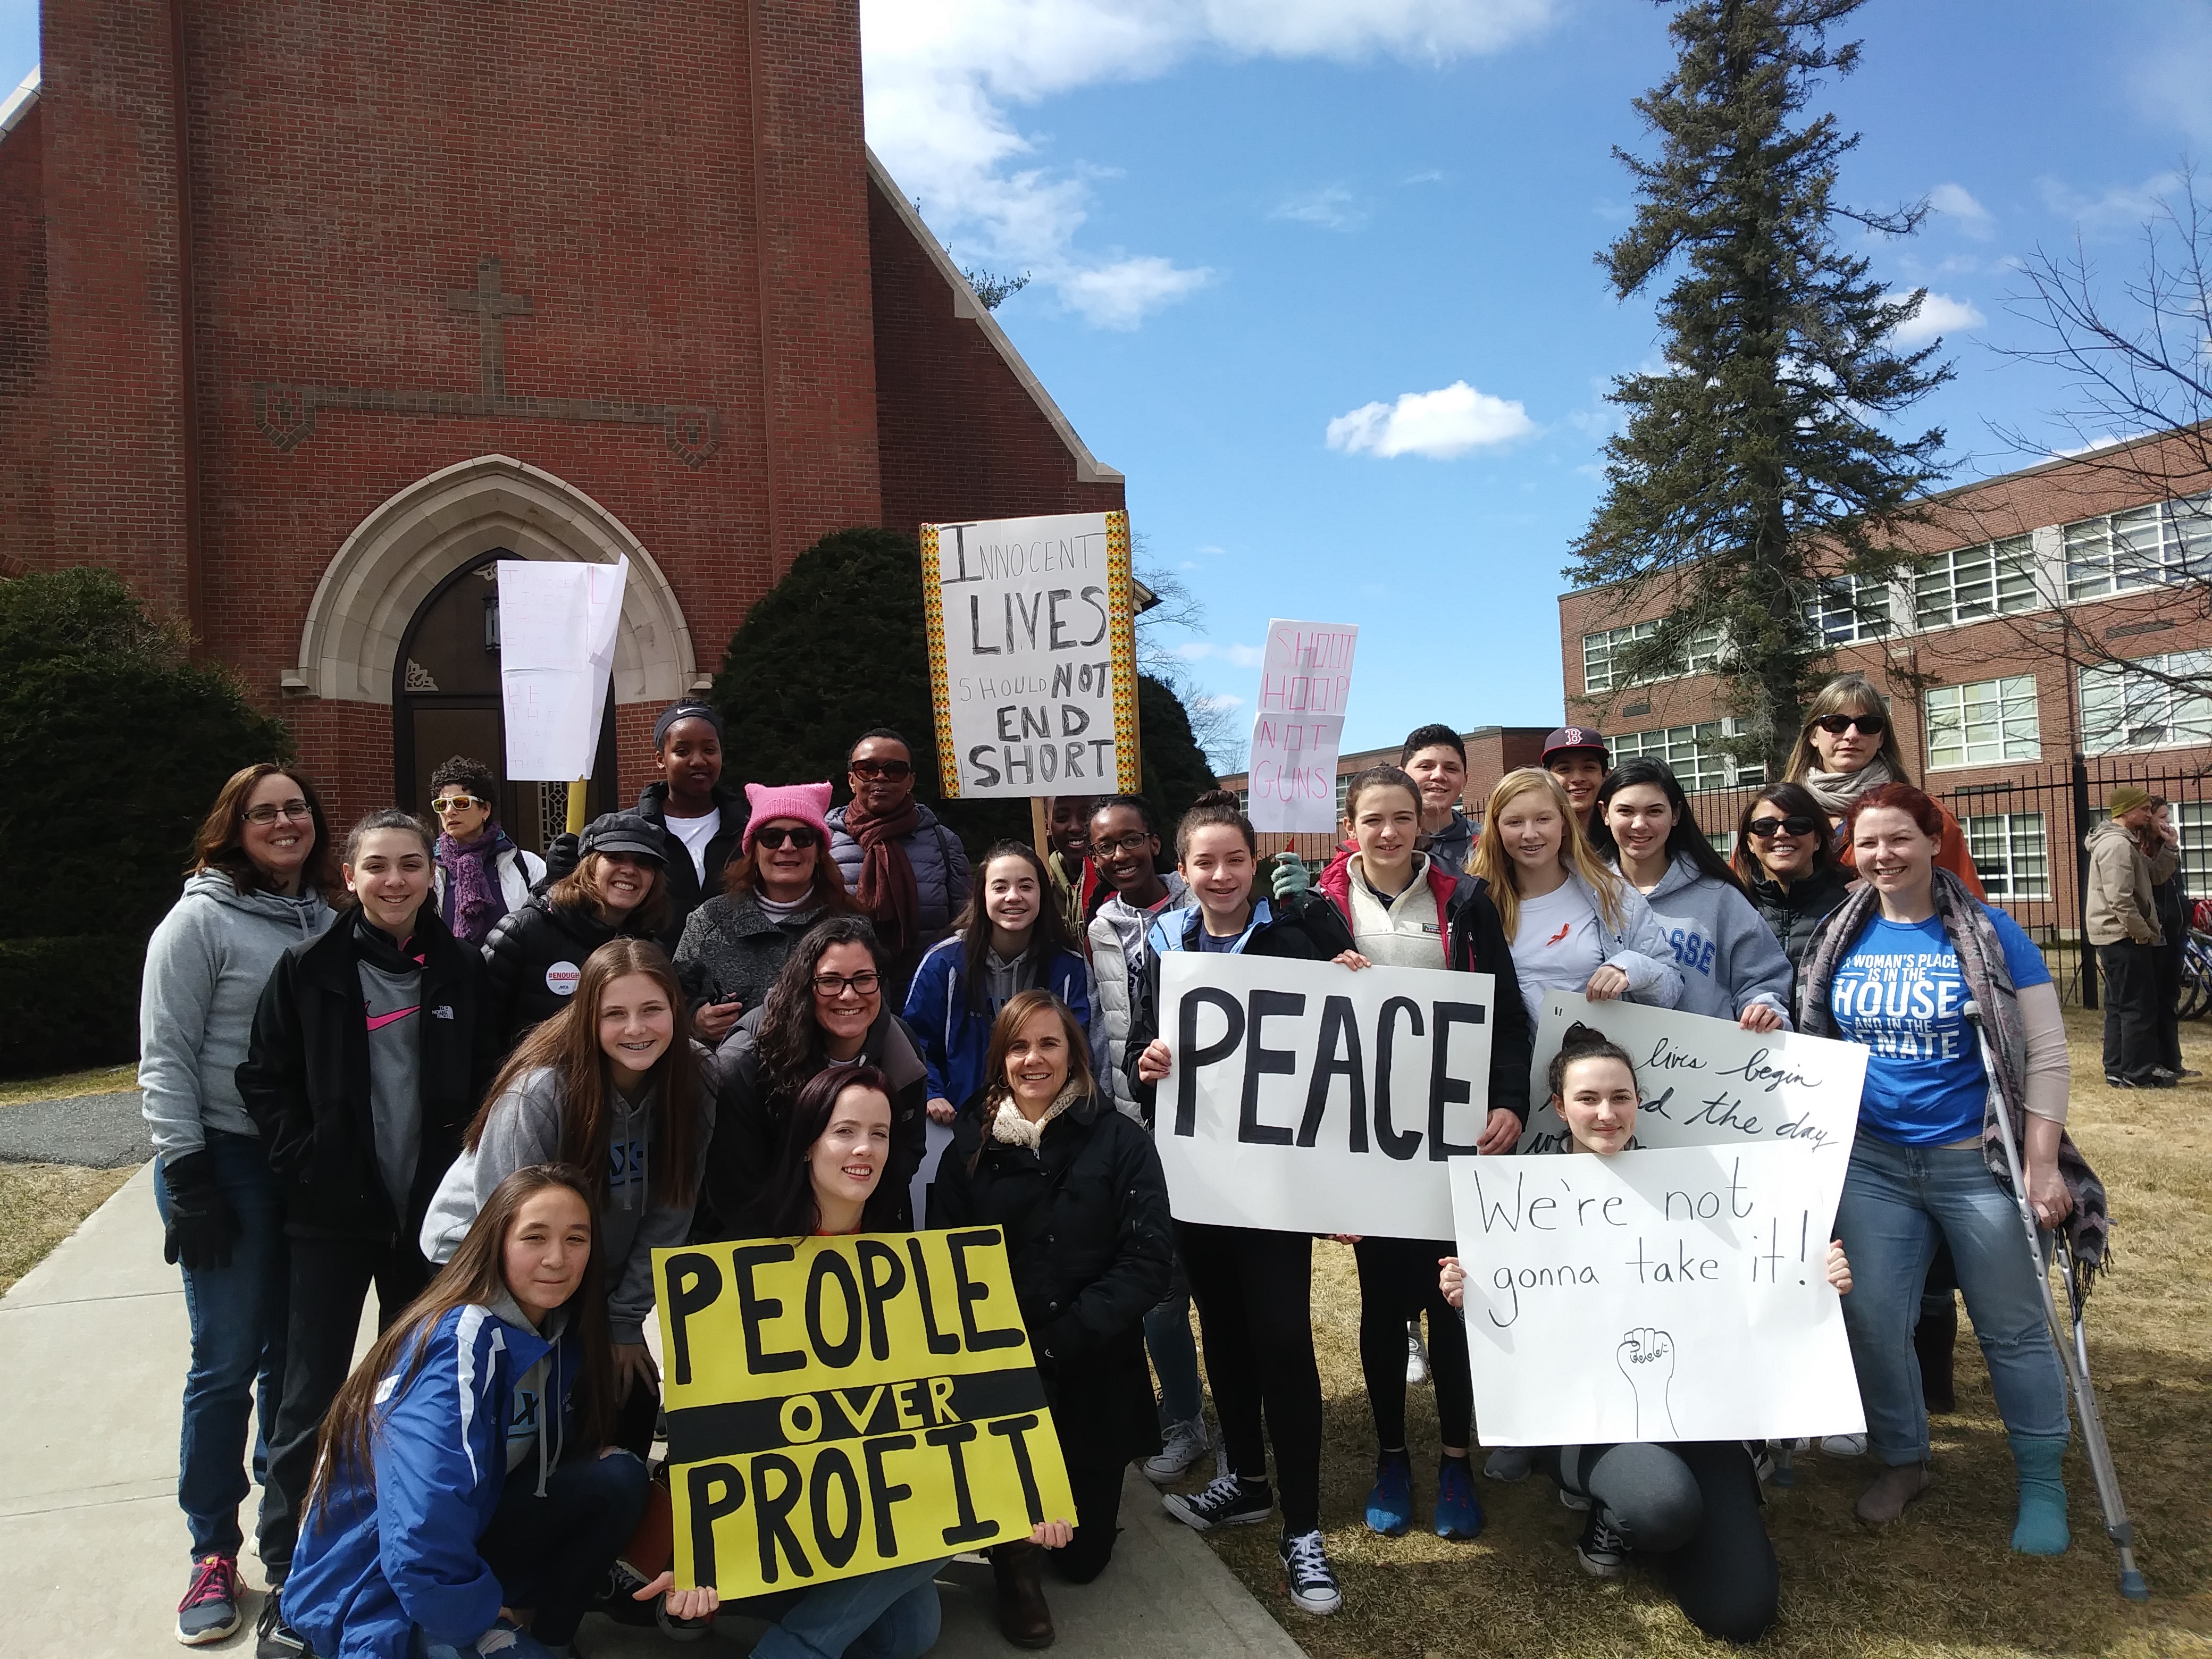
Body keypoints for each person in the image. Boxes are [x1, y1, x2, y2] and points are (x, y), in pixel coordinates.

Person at [1439, 1026, 1850, 1643]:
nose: (1605, 1114)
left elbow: (1758, 1284)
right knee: (1661, 1507)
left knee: (1740, 1616)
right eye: (1587, 1099)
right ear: (1557, 1106)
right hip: (1587, 1418)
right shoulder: (1518, 1202)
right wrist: (1468, 1297)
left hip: (1703, 1417)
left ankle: (1699, 1503)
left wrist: (1816, 1277)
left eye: (1620, 1097)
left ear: (1638, 1101)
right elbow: (1512, 1331)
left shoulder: (1702, 1189)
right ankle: (1614, 1514)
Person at [1797, 781, 2106, 1551]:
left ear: (1935, 842)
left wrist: (2040, 1164)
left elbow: (2049, 1055)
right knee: (1872, 1320)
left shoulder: (1991, 933)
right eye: (1867, 842)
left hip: (1975, 1162)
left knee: (2012, 1330)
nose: (1883, 855)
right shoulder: (1841, 934)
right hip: (1873, 1162)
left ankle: (2041, 1481)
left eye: (1899, 838)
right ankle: (1902, 1460)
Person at [237, 808, 501, 1654]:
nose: (395, 881)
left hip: (428, 1229)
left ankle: (414, 1557)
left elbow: (498, 1078)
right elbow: (264, 1078)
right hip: (331, 1218)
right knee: (308, 1399)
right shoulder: (307, 969)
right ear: (347, 877)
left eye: (412, 865)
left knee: (421, 1404)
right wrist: (305, 1158)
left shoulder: (464, 969)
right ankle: (287, 1568)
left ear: (435, 875)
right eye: (377, 866)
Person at [649, 1068, 965, 1659]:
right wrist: (701, 1555)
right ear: (807, 1145)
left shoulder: (906, 1260)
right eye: (844, 1131)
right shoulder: (739, 1260)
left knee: (911, 1631)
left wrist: (1026, 1501)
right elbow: (703, 1422)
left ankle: (792, 1631)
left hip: (870, 1509)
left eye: (879, 1133)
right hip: (769, 1513)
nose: (864, 1149)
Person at [279, 1163, 651, 1659]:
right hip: (374, 1587)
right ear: (495, 1242)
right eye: (534, 1237)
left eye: (576, 1239)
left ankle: (547, 1639)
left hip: (461, 1543)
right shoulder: (456, 1341)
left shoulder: (560, 1328)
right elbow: (418, 1535)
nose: (558, 1259)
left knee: (618, 1477)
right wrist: (474, 1611)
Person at [1127, 791, 1347, 1618]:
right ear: (1180, 872)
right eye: (1203, 862)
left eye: (1234, 859)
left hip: (1277, 1184)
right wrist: (1142, 1062)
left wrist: (1346, 968)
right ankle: (1246, 1479)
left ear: (1254, 864)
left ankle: (1303, 1529)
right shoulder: (1164, 946)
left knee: (1285, 1339)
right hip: (1197, 1180)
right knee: (1220, 1330)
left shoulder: (1297, 935)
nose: (1220, 875)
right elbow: (1132, 1055)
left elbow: (1347, 1044)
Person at [139, 764, 341, 1646]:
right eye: (265, 813)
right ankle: (211, 1549)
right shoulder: (199, 923)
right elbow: (166, 1058)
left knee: (291, 1369)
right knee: (225, 1362)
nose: (285, 822)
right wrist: (187, 1176)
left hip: (302, 1166)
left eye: (297, 808)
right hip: (222, 1164)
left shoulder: (331, 922)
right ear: (234, 828)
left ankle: (286, 1538)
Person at [1310, 764, 1533, 1543]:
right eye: (1374, 819)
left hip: (1454, 1140)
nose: (1389, 832)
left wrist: (1509, 1100)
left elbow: (1507, 1016)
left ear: (1422, 823)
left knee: (1453, 1302)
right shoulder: (1317, 911)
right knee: (1382, 1304)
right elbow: (1295, 1033)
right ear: (1351, 826)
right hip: (1367, 1144)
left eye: (1402, 818)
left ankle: (1455, 1461)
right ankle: (1393, 1457)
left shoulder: (1465, 903)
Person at [932, 991, 1175, 1646]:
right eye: (1017, 1046)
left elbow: (1150, 1261)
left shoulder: (1120, 1139)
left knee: (1082, 1560)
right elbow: (946, 1264)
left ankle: (1066, 1500)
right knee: (1024, 1535)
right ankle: (1012, 1566)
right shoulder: (966, 1153)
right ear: (999, 1059)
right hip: (1003, 1373)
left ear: (1072, 1054)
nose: (1033, 1059)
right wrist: (1009, 1349)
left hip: (1093, 1367)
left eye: (1048, 1044)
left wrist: (1060, 1339)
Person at [421, 938, 714, 1465]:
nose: (636, 1029)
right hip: (491, 1271)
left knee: (632, 1395)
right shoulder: (540, 1092)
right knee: (529, 1426)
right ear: (587, 1017)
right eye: (615, 1014)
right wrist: (554, 1348)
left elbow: (671, 1210)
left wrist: (623, 1326)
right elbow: (510, 1231)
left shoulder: (696, 1078)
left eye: (652, 1010)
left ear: (676, 1009)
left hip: (588, 1271)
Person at [1082, 795, 1206, 1484]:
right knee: (1158, 1284)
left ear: (1156, 842)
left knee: (1222, 1284)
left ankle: (1247, 1411)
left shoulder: (1208, 903)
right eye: (1107, 848)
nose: (1122, 855)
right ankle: (1184, 1417)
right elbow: (1104, 1027)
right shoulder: (1098, 927)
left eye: (1133, 840)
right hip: (1136, 1126)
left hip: (1217, 1126)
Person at [697, 915, 929, 1237]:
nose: (849, 995)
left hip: (866, 1232)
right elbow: (736, 1188)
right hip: (764, 1240)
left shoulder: (902, 1050)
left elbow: (906, 1152)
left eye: (864, 979)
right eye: (830, 981)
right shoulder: (743, 1065)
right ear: (805, 985)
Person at [904, 840, 1090, 1224]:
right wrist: (933, 1093)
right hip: (958, 1125)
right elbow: (914, 1040)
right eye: (1000, 887)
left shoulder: (1069, 965)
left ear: (1043, 893)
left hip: (1045, 1126)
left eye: (1026, 886)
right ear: (981, 894)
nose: (1014, 897)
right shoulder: (944, 962)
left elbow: (1081, 1046)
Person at [1588, 758, 1793, 1030]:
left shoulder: (1720, 896)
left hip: (1696, 1063)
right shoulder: (1585, 893)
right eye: (1625, 811)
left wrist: (1765, 1008)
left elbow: (1763, 977)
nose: (1639, 824)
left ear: (1675, 815)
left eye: (1654, 811)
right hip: (1601, 1063)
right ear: (1604, 814)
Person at [1470, 767, 1685, 1024]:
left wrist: (1631, 969)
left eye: (1543, 819)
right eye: (1515, 822)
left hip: (1599, 1058)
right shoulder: (1474, 904)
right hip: (1513, 1062)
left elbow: (1671, 988)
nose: (1530, 834)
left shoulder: (1611, 895)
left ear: (1563, 823)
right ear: (1497, 829)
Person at [674, 782, 851, 1044]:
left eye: (802, 838)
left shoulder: (849, 926)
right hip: (729, 1079)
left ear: (819, 852)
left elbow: (875, 1008)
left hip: (823, 1079)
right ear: (754, 850)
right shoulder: (709, 921)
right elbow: (670, 998)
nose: (787, 847)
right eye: (772, 838)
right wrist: (695, 1020)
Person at [482, 811, 673, 1053]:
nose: (629, 870)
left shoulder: (653, 952)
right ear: (588, 866)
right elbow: (480, 1035)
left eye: (643, 862)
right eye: (615, 857)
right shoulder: (520, 933)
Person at [1782, 672, 1984, 896]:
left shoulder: (1926, 814)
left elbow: (1968, 905)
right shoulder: (1776, 814)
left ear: (1881, 739)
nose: (1852, 735)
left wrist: (1892, 889)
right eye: (1836, 723)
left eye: (1867, 724)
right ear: (1813, 736)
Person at [826, 727, 973, 1004]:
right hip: (843, 996)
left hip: (927, 993)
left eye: (894, 770)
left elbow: (964, 924)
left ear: (911, 781)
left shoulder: (943, 842)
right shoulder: (824, 841)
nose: (880, 777)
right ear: (851, 779)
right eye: (866, 769)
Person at [2085, 784, 2179, 1089]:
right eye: (2145, 810)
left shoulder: (2126, 842)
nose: (2150, 815)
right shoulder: (2117, 845)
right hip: (2121, 937)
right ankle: (2137, 1074)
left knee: (2119, 1006)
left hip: (2118, 936)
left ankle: (2117, 1070)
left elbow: (2154, 876)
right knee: (2138, 1007)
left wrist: (2170, 846)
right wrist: (2142, 933)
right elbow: (2120, 899)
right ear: (2128, 812)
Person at [1730, 781, 1853, 1002]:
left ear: (1817, 840)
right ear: (1749, 842)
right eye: (1765, 826)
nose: (1781, 833)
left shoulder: (1850, 906)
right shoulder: (1732, 907)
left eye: (1798, 825)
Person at [633, 701, 748, 937]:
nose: (698, 761)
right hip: (653, 968)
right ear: (660, 759)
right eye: (682, 751)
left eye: (709, 750)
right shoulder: (632, 831)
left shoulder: (749, 831)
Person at [425, 755, 546, 947]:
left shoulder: (525, 865)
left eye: (461, 803)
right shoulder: (429, 868)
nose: (449, 812)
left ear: (485, 810)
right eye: (442, 805)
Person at [2146, 797, 2193, 1079]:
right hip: (2158, 930)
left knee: (2171, 995)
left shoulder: (2169, 848)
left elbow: (2177, 886)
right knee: (2155, 997)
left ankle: (2173, 1060)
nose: (2167, 823)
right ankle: (2155, 1059)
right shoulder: (2145, 850)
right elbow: (2154, 883)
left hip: (2176, 928)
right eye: (2161, 817)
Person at [1400, 724, 1476, 874]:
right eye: (1426, 766)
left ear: (1465, 781)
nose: (1439, 775)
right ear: (1402, 777)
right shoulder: (1382, 842)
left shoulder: (1489, 844)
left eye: (1451, 768)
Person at [1042, 793, 1103, 933]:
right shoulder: (1038, 889)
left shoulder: (1123, 884)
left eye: (1087, 816)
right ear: (1046, 826)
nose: (1075, 827)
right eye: (1062, 818)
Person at [1541, 725, 1610, 837]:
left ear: (1605, 774)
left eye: (1589, 767)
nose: (1577, 779)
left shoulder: (1623, 837)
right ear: (1547, 778)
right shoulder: (1534, 837)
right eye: (1564, 769)